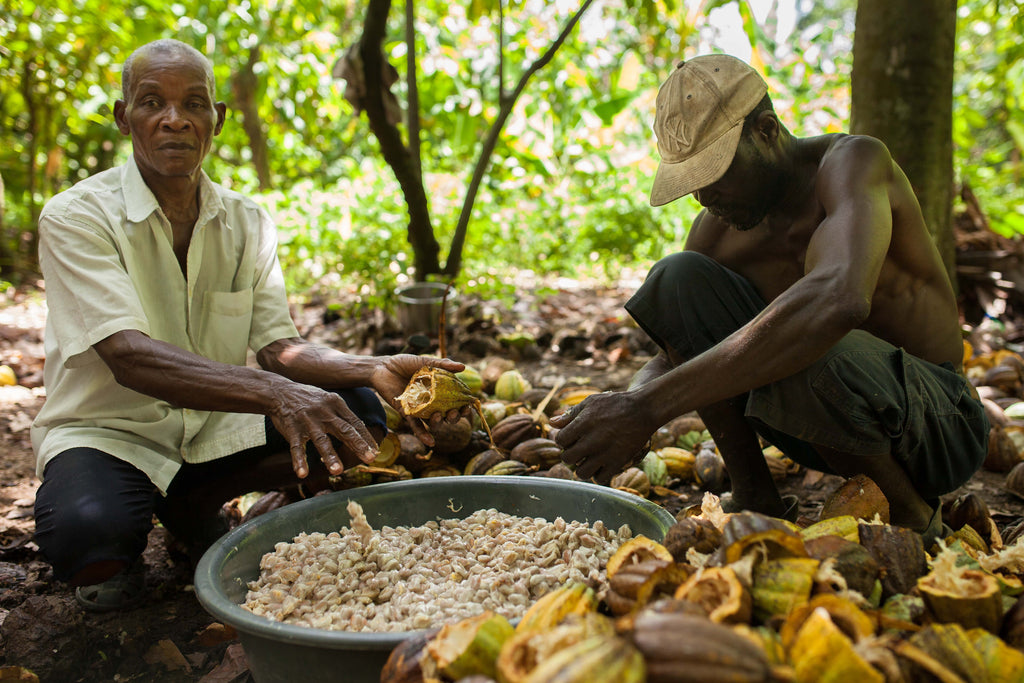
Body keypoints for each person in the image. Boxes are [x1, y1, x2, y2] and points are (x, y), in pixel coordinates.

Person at [31, 39, 464, 611]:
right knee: (89, 534)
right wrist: (277, 394)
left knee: (354, 407)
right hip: (112, 432)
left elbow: (277, 347)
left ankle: (192, 506)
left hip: (214, 425)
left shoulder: (246, 221)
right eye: (151, 102)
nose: (174, 120)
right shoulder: (77, 216)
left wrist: (372, 367)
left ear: (218, 119)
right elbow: (129, 355)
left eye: (194, 104)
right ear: (122, 116)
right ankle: (129, 529)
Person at [551, 54, 988, 543]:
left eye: (715, 173)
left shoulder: (854, 164)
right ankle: (754, 493)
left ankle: (911, 517)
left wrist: (648, 409)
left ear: (766, 130)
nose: (703, 198)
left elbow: (838, 301)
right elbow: (676, 351)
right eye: (692, 183)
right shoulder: (718, 233)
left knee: (809, 333)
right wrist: (625, 405)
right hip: (824, 425)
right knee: (677, 277)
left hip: (940, 425)